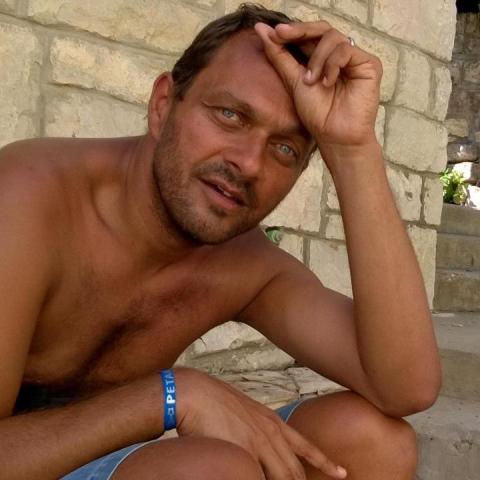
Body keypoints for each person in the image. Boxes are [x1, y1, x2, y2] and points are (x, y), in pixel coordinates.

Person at [0, 3, 441, 479]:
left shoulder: (246, 265)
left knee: (375, 442)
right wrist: (172, 395)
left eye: (284, 148)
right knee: (212, 471)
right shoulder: (28, 197)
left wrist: (353, 149)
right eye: (230, 115)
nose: (249, 164)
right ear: (163, 105)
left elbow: (405, 386)